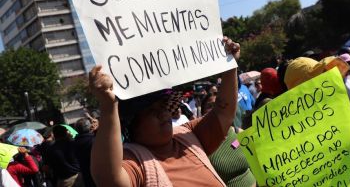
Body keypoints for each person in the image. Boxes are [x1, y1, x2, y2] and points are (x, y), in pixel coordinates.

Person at [90, 37, 240, 187]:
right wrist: (109, 106)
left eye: (163, 106)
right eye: (152, 110)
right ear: (132, 124)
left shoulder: (188, 135)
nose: (165, 113)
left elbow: (223, 112)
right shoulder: (134, 162)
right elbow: (108, 178)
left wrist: (230, 65)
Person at [284, 56, 350, 150]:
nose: (324, 84)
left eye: (325, 78)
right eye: (316, 81)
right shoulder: (290, 130)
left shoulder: (348, 110)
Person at [201, 93, 256, 187]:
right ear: (202, 112)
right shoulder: (200, 144)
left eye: (218, 105)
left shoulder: (238, 133)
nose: (214, 109)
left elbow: (255, 162)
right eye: (210, 106)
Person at [74, 118, 96, 187]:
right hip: (100, 174)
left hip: (86, 176)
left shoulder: (74, 143)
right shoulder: (95, 140)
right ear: (90, 127)